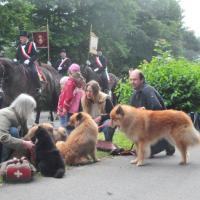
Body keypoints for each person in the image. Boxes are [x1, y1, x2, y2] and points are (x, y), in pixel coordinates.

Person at [129, 69, 175, 157]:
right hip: (146, 128)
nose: (132, 82)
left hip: (159, 126)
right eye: (131, 79)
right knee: (139, 152)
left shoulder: (148, 90)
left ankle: (168, 142)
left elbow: (158, 109)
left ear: (142, 80)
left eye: (135, 79)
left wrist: (144, 111)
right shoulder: (134, 94)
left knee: (146, 153)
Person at [0, 93, 36, 162]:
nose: (32, 112)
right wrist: (24, 143)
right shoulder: (4, 115)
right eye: (31, 109)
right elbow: (3, 137)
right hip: (3, 139)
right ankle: (3, 162)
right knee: (13, 131)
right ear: (25, 108)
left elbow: (27, 131)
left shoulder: (19, 115)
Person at [57, 63, 85, 130]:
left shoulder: (70, 83)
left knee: (66, 128)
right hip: (75, 109)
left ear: (70, 72)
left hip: (68, 109)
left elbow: (68, 97)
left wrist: (64, 108)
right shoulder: (79, 82)